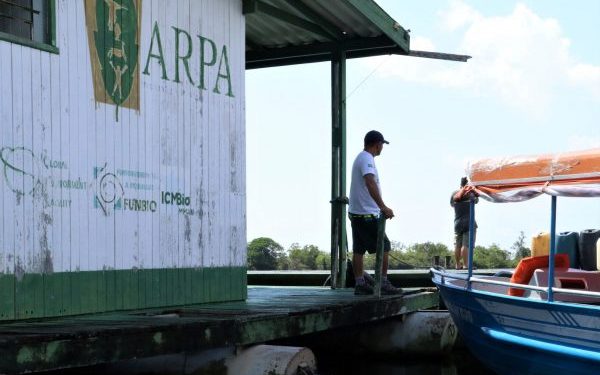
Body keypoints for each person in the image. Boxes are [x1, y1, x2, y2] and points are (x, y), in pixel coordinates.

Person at [348, 130, 402, 295]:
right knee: (384, 246)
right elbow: (370, 182)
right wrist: (383, 207)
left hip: (356, 212)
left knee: (359, 249)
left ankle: (360, 283)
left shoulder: (361, 157)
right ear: (377, 144)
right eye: (381, 145)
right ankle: (383, 282)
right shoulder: (366, 158)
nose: (382, 148)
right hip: (366, 213)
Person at [450, 177, 478, 269]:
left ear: (460, 185)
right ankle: (466, 265)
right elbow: (477, 200)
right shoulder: (471, 193)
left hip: (457, 222)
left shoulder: (454, 194)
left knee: (457, 245)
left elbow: (452, 205)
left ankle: (458, 264)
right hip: (469, 222)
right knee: (466, 245)